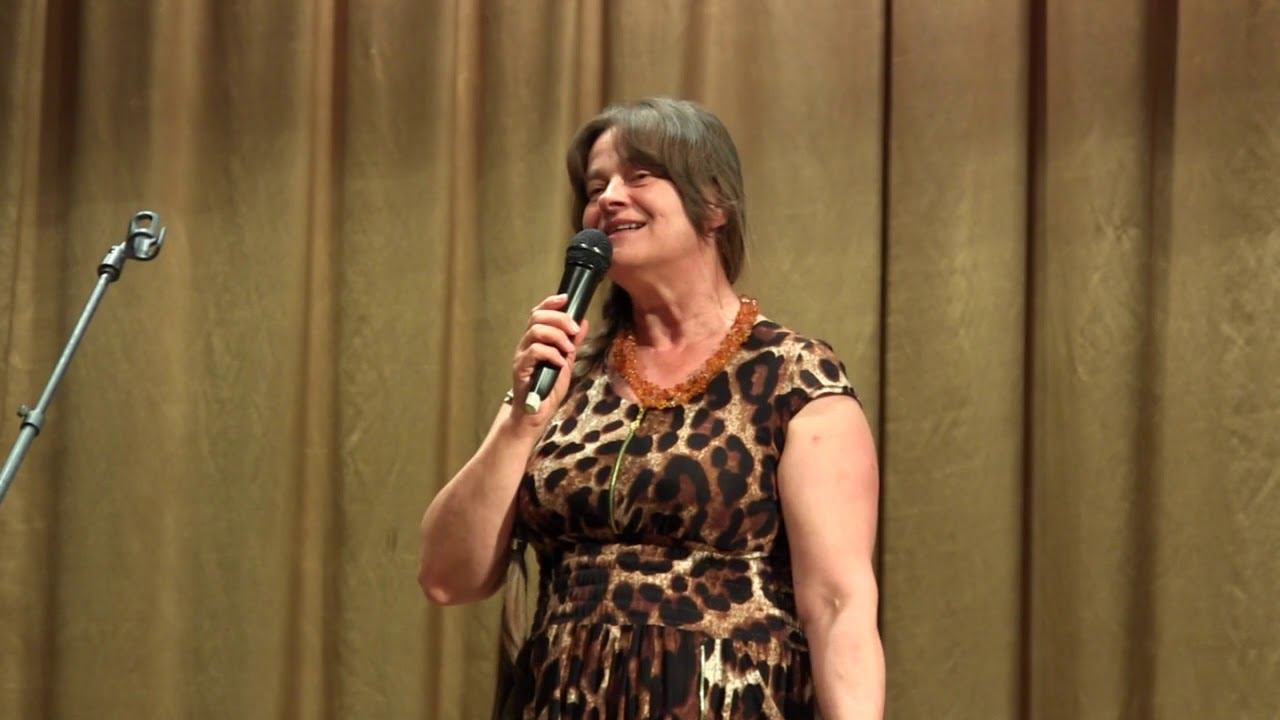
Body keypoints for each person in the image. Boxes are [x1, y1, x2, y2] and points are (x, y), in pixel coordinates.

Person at [419, 97, 884, 719]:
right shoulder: (568, 378)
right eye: (596, 187)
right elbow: (447, 578)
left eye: (640, 176)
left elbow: (837, 605)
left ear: (714, 204)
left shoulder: (792, 378)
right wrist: (520, 420)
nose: (610, 199)